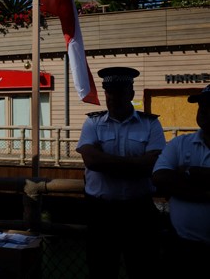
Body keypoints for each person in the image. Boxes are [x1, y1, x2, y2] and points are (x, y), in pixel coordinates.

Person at [76, 67, 166, 279]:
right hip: (101, 213)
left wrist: (107, 162)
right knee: (101, 270)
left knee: (142, 269)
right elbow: (91, 160)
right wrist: (136, 163)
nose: (113, 97)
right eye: (109, 92)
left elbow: (152, 164)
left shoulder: (150, 123)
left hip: (139, 211)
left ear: (131, 94)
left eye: (119, 92)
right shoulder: (92, 122)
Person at [152, 84, 210, 279]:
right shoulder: (180, 143)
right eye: (202, 106)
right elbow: (160, 177)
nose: (205, 111)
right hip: (182, 247)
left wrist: (186, 173)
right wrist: (200, 184)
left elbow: (170, 179)